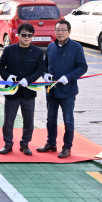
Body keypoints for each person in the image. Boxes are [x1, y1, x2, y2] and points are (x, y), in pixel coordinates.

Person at [37, 20, 88, 158]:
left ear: (69, 32)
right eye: (57, 30)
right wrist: (45, 74)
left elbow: (83, 67)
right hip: (52, 90)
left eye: (63, 30)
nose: (60, 32)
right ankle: (51, 143)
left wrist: (70, 77)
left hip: (68, 91)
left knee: (68, 120)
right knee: (51, 119)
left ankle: (67, 147)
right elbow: (45, 64)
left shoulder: (76, 47)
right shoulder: (51, 47)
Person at [0, 23, 44, 156]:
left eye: (30, 35)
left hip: (28, 92)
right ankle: (8, 143)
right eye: (24, 34)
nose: (26, 37)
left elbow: (40, 69)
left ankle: (25, 144)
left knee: (29, 120)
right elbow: (0, 66)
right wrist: (8, 76)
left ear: (32, 36)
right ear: (18, 35)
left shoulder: (38, 52)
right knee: (9, 119)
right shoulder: (9, 50)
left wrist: (28, 80)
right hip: (12, 91)